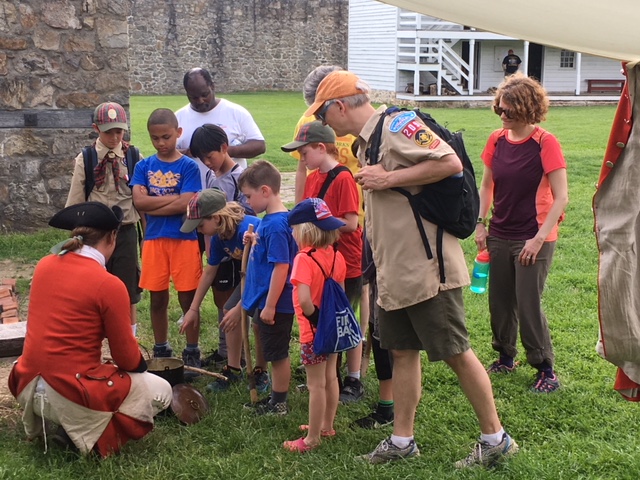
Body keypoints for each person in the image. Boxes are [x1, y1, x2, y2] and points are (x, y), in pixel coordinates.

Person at [304, 70, 518, 468]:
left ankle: (496, 439)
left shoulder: (397, 124)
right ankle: (403, 440)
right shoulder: (368, 141)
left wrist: (388, 177)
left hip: (426, 268)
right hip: (393, 271)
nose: (323, 123)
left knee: (455, 352)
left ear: (337, 106)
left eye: (323, 113)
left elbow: (449, 163)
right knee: (402, 351)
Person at [8, 202, 172, 457]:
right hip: (71, 393)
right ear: (113, 236)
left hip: (27, 384)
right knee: (161, 389)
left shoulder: (43, 265)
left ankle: (65, 428)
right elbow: (127, 358)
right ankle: (89, 436)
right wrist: (136, 366)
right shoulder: (109, 284)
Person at [475, 73, 568, 393]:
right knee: (499, 302)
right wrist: (480, 223)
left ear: (526, 109)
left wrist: (539, 238)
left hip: (535, 235)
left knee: (527, 302)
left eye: (508, 110)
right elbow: (487, 185)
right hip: (500, 232)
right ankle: (504, 356)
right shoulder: (496, 139)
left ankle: (545, 368)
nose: (501, 115)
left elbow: (562, 198)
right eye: (499, 108)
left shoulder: (545, 142)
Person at [282, 120, 365, 403]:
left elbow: (352, 223)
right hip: (321, 259)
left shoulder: (343, 178)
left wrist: (320, 226)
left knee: (344, 319)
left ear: (321, 147)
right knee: (323, 318)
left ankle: (353, 378)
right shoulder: (315, 176)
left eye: (304, 153)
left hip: (345, 261)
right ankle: (328, 378)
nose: (302, 160)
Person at [130, 108, 203, 368]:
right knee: (157, 297)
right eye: (155, 138)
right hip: (154, 240)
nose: (161, 143)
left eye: (166, 137)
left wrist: (154, 203)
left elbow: (187, 203)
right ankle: (161, 348)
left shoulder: (189, 166)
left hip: (184, 239)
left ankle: (192, 350)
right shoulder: (143, 166)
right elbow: (138, 201)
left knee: (188, 297)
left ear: (178, 133)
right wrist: (174, 200)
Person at [179, 189, 270, 394]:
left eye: (201, 225)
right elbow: (209, 272)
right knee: (229, 310)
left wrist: (242, 307)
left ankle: (261, 371)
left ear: (217, 218)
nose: (200, 231)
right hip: (252, 277)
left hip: (271, 279)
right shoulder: (220, 237)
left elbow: (263, 274)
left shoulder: (247, 230)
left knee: (258, 323)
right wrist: (193, 309)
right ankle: (234, 368)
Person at [65, 102, 142, 336]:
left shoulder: (134, 155)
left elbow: (142, 199)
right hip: (95, 234)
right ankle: (95, 337)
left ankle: (129, 337)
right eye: (109, 131)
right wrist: (76, 239)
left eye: (119, 131)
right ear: (96, 128)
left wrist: (146, 237)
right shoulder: (86, 158)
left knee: (128, 289)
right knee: (94, 287)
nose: (115, 136)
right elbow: (76, 202)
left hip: (126, 231)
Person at [188, 124, 254, 370]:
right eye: (202, 158)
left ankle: (239, 356)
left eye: (210, 156)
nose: (207, 162)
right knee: (222, 301)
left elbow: (247, 212)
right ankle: (226, 350)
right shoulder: (208, 175)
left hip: (241, 253)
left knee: (237, 302)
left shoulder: (239, 178)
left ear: (224, 148)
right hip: (219, 249)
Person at [283, 198, 346, 452]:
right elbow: (340, 292)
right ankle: (326, 425)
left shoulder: (303, 259)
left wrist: (315, 320)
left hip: (313, 332)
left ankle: (312, 439)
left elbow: (305, 299)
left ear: (303, 230)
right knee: (331, 377)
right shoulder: (336, 255)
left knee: (315, 385)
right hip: (332, 331)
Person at [238, 160, 298, 415]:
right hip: (268, 301)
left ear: (265, 191)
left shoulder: (274, 225)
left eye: (249, 196)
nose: (247, 202)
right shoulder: (271, 221)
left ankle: (279, 402)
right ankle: (275, 399)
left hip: (276, 302)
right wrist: (255, 239)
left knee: (277, 354)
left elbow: (281, 266)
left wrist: (271, 305)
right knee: (274, 350)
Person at [175, 67, 266, 172]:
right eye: (194, 97)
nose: (200, 101)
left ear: (212, 87)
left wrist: (225, 151)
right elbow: (166, 153)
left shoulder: (236, 112)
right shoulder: (178, 118)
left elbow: (259, 145)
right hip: (193, 187)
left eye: (205, 95)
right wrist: (187, 152)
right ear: (187, 94)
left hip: (233, 186)